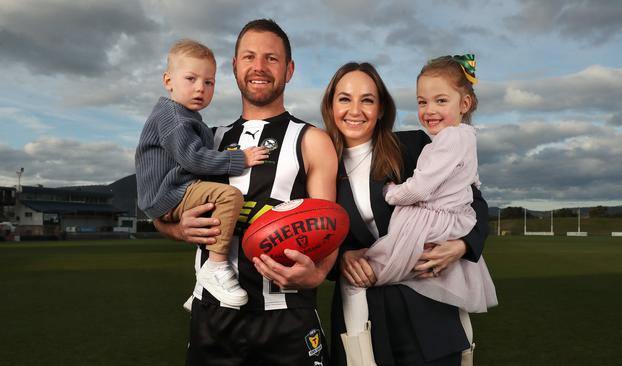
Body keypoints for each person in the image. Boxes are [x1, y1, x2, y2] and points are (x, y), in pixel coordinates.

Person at [154, 19, 338, 366]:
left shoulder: (312, 140)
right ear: (235, 66)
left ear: (289, 69)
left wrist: (318, 272)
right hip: (214, 315)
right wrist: (175, 228)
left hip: (287, 311)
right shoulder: (206, 139)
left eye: (272, 58)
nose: (259, 67)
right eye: (249, 57)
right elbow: (158, 205)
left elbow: (329, 227)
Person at [321, 61, 490, 365]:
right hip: (362, 317)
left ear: (382, 108)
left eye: (367, 99)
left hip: (427, 309)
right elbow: (314, 230)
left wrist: (462, 245)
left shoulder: (413, 146)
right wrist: (342, 257)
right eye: (345, 98)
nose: (355, 110)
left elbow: (472, 201)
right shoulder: (320, 161)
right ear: (331, 105)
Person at [135, 39, 269, 308]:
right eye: (191, 78)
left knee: (213, 211)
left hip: (172, 191)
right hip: (170, 192)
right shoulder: (174, 116)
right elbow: (192, 158)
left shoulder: (184, 115)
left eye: (209, 82)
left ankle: (200, 286)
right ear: (168, 80)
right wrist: (239, 158)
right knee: (229, 197)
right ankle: (214, 268)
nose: (200, 88)